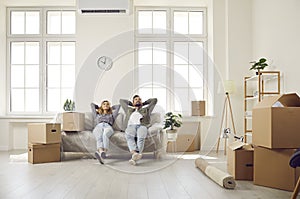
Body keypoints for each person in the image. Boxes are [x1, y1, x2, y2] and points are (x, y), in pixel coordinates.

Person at [120, 95, 157, 165]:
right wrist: (132, 104)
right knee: (129, 136)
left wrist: (144, 103)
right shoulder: (128, 109)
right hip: (131, 126)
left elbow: (154, 100)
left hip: (142, 126)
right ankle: (135, 154)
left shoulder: (146, 109)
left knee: (141, 138)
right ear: (133, 102)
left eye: (139, 99)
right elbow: (121, 101)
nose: (138, 100)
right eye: (136, 99)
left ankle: (134, 157)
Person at [91, 100, 120, 164]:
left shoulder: (112, 115)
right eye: (104, 104)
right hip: (99, 126)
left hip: (108, 126)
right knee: (99, 137)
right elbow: (92, 105)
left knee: (105, 135)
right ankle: (101, 152)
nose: (106, 105)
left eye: (107, 104)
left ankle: (103, 153)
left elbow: (118, 106)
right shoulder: (97, 114)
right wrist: (99, 107)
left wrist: (111, 107)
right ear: (101, 106)